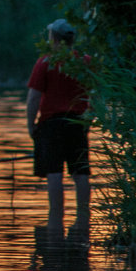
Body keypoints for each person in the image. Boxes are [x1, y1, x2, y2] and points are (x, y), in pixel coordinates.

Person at [26, 18, 91, 229]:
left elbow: (34, 98)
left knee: (54, 172)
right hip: (77, 123)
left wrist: (31, 126)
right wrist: (88, 119)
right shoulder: (85, 61)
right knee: (80, 172)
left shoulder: (46, 62)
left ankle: (56, 216)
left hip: (51, 124)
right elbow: (97, 94)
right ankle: (83, 216)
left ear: (54, 38)